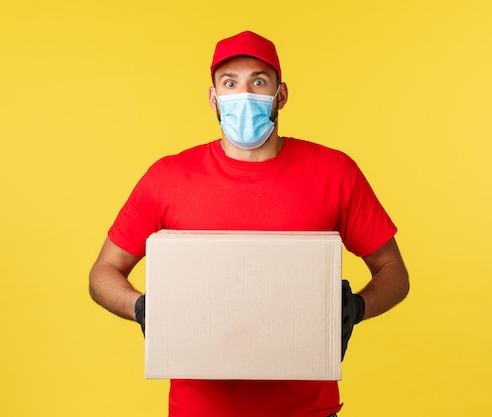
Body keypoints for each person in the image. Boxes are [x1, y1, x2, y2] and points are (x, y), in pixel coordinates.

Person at [89, 30, 409, 417]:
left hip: (308, 410)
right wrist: (142, 307)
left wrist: (357, 307)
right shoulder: (168, 177)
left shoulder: (334, 172)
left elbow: (393, 271)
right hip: (198, 410)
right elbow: (103, 271)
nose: (244, 94)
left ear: (281, 94)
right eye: (230, 83)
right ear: (213, 99)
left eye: (258, 81)